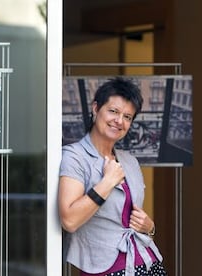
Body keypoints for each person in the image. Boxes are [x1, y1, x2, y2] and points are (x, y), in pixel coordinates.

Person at [58, 77, 167, 276]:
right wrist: (107, 182)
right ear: (96, 108)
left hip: (148, 262)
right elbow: (70, 220)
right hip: (107, 269)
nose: (119, 121)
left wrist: (150, 227)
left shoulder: (129, 161)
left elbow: (130, 215)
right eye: (113, 111)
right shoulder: (75, 156)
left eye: (127, 117)